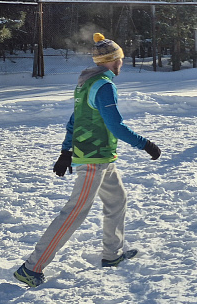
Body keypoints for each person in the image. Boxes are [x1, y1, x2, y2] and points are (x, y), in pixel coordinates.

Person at [13, 33, 162, 287]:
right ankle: (31, 267)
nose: (122, 63)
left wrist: (65, 151)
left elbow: (75, 120)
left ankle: (112, 254)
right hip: (93, 158)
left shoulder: (87, 83)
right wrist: (145, 144)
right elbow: (116, 125)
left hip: (102, 157)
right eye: (120, 59)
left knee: (117, 200)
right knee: (74, 212)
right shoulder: (104, 85)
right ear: (114, 60)